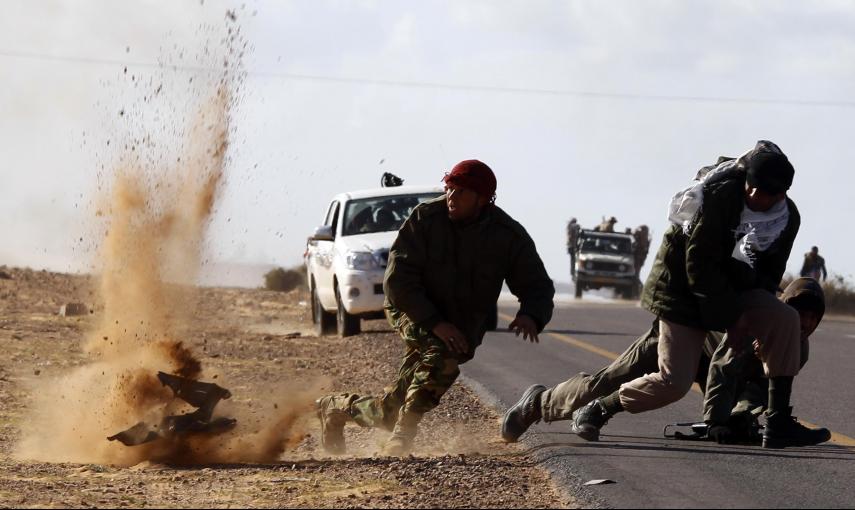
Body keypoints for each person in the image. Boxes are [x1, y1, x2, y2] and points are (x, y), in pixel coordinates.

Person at [503, 140, 829, 449]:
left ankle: (779, 423)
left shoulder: (786, 219)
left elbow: (768, 275)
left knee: (785, 319)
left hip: (729, 304)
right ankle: (542, 405)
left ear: (782, 194)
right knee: (642, 381)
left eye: (768, 193)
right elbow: (698, 268)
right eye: (752, 187)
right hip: (683, 298)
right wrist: (736, 320)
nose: (756, 196)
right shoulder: (717, 198)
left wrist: (754, 332)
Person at [316, 159, 555, 456]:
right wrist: (434, 322)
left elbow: (537, 285)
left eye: (461, 192)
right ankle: (403, 438)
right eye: (449, 189)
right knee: (442, 355)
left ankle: (337, 408)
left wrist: (531, 314)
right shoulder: (425, 218)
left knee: (389, 411)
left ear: (483, 199)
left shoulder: (507, 235)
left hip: (461, 322)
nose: (451, 198)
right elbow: (398, 282)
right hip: (411, 308)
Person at [501, 278, 827, 446]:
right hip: (679, 338)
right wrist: (718, 420)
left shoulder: (798, 348)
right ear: (784, 308)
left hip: (713, 367)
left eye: (814, 317)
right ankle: (539, 403)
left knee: (738, 417)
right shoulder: (757, 317)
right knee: (608, 382)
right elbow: (723, 368)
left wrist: (742, 418)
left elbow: (756, 390)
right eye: (800, 312)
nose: (806, 323)